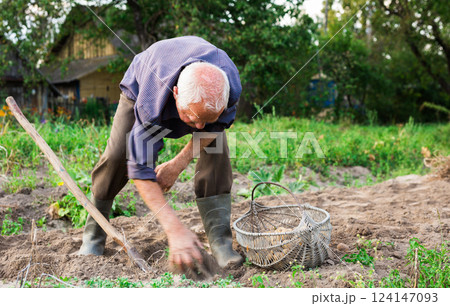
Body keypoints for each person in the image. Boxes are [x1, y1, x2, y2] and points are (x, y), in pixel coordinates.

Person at [78, 36, 244, 269]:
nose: (198, 128)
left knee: (217, 153)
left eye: (207, 119)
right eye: (191, 119)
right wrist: (175, 230)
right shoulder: (151, 102)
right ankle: (94, 232)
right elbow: (139, 166)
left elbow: (213, 128)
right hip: (142, 85)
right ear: (175, 93)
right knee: (117, 155)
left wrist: (177, 164)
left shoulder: (226, 87)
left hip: (199, 95)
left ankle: (220, 242)